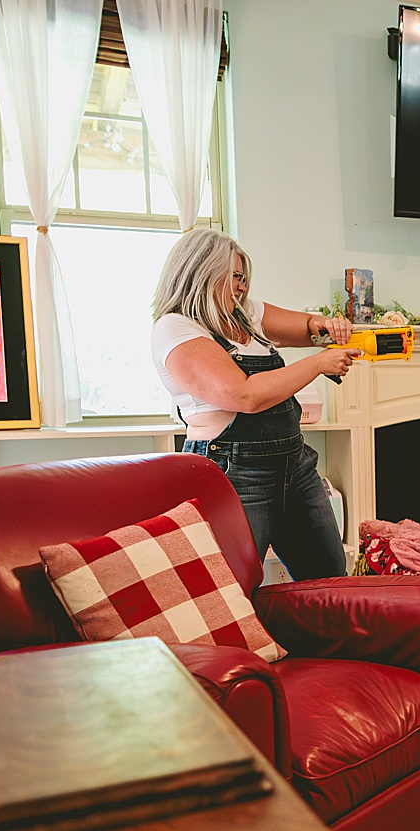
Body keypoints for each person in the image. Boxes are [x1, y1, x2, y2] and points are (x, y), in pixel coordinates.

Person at [150, 227, 360, 579]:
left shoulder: (244, 313)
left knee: (328, 575)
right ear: (202, 271)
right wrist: (318, 363)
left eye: (243, 278)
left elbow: (308, 326)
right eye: (233, 276)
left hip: (295, 464)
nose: (242, 286)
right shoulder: (176, 328)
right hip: (234, 471)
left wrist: (326, 326)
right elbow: (244, 395)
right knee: (236, 586)